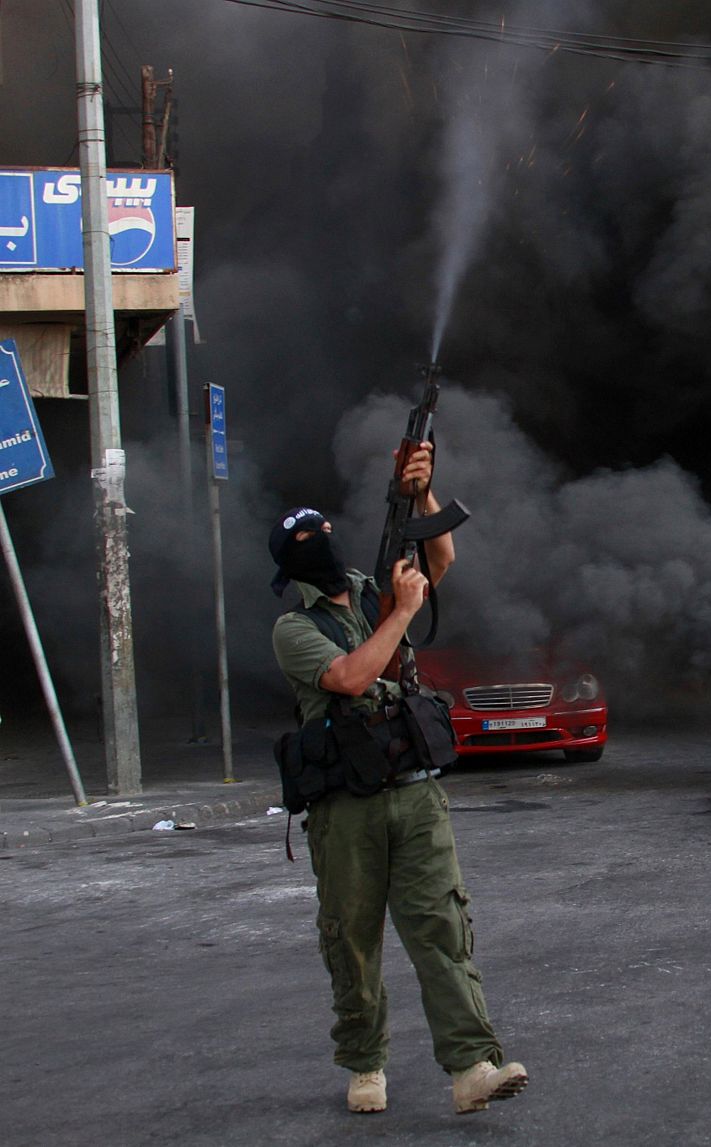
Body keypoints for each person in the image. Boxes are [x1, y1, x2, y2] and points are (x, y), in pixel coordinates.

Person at [268, 440, 527, 1116]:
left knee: (440, 924)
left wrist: (422, 493)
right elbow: (354, 676)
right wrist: (403, 614)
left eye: (324, 531)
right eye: (307, 540)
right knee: (351, 940)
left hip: (412, 788)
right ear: (289, 565)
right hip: (345, 807)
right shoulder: (293, 628)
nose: (321, 543)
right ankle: (363, 1061)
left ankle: (472, 1063)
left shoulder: (363, 587)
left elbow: (438, 558)